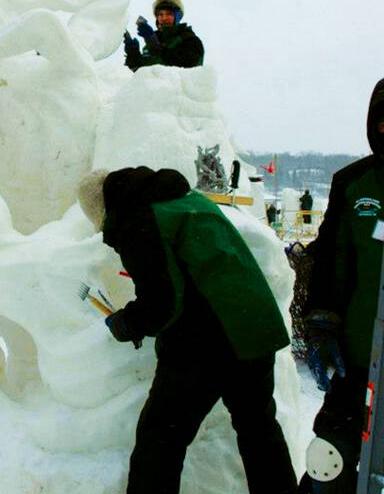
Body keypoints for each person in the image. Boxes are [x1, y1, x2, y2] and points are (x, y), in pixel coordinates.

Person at [77, 166, 297, 494]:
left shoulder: (139, 219)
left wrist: (127, 323)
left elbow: (162, 302)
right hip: (254, 326)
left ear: (102, 207)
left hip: (206, 341)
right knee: (258, 431)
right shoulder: (183, 199)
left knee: (160, 437)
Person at [298, 78, 384, 493]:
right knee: (328, 461)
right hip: (357, 357)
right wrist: (319, 323)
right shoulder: (354, 183)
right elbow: (330, 258)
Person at [123, 0, 204, 72]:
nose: (164, 18)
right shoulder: (152, 43)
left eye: (169, 14)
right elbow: (139, 75)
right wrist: (132, 54)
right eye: (160, 14)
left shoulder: (190, 41)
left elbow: (187, 66)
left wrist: (155, 46)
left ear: (178, 16)